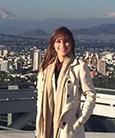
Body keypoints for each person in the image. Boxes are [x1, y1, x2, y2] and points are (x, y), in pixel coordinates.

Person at [36, 26, 96, 138]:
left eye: (66, 41)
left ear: (72, 44)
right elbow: (40, 99)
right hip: (46, 127)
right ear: (53, 44)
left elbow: (90, 95)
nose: (62, 45)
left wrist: (80, 121)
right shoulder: (45, 68)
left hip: (68, 129)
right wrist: (38, 125)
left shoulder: (79, 67)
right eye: (58, 41)